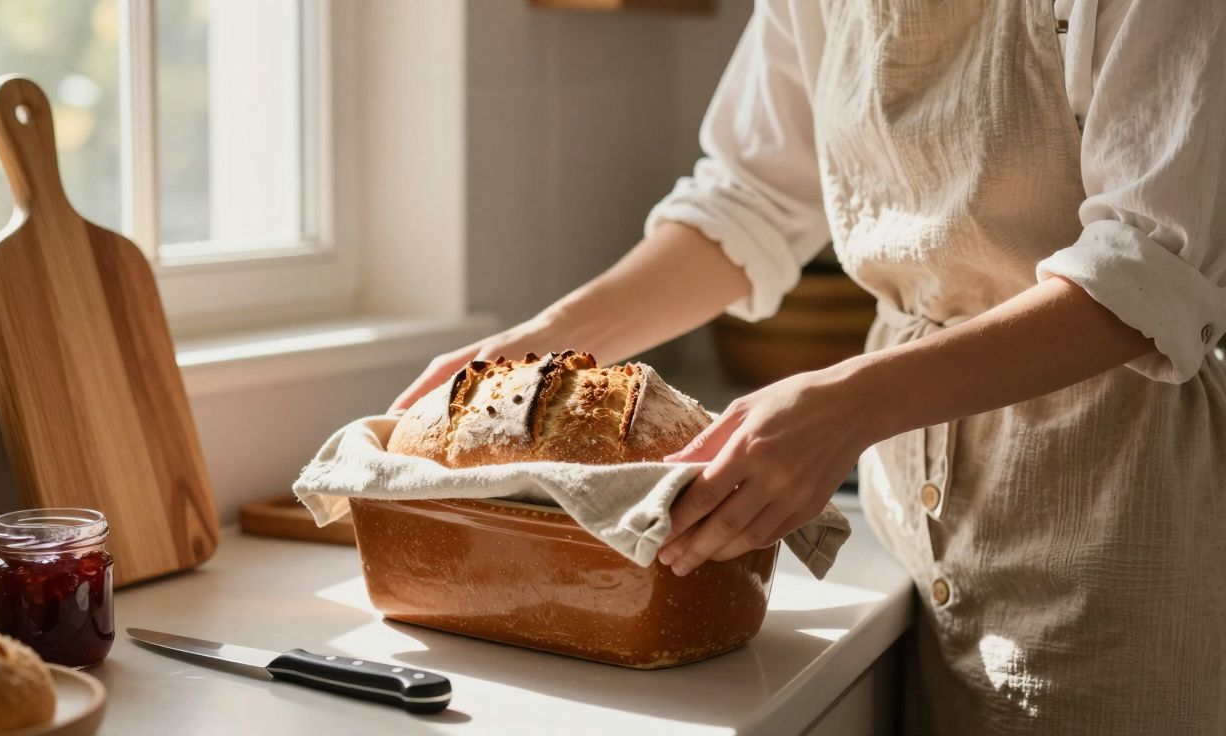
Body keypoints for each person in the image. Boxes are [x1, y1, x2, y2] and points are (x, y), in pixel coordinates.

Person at [391, 0, 1226, 731]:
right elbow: (749, 200)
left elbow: (1146, 272)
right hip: (911, 526)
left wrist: (849, 406)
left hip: (1118, 512)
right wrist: (546, 342)